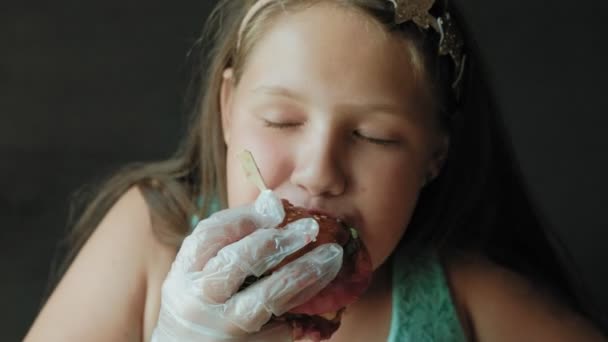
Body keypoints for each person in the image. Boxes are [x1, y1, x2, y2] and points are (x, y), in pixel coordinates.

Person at [25, 0, 607, 341]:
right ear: (228, 110)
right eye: (281, 120)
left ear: (434, 158)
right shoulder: (147, 238)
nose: (319, 171)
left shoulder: (468, 298)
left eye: (373, 136)